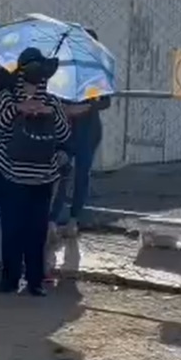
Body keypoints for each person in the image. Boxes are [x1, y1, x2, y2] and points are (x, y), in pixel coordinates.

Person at [0, 47, 72, 296]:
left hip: (44, 177)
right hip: (11, 174)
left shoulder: (53, 101)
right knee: (12, 229)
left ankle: (35, 280)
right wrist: (18, 109)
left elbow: (65, 136)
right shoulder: (7, 97)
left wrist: (51, 114)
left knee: (37, 230)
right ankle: (9, 279)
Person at [50, 27, 111, 239]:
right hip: (65, 128)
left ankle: (74, 220)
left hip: (88, 129)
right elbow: (53, 93)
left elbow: (105, 102)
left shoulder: (97, 71)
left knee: (81, 175)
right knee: (60, 172)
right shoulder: (63, 67)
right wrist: (63, 108)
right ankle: (52, 220)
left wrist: (85, 107)